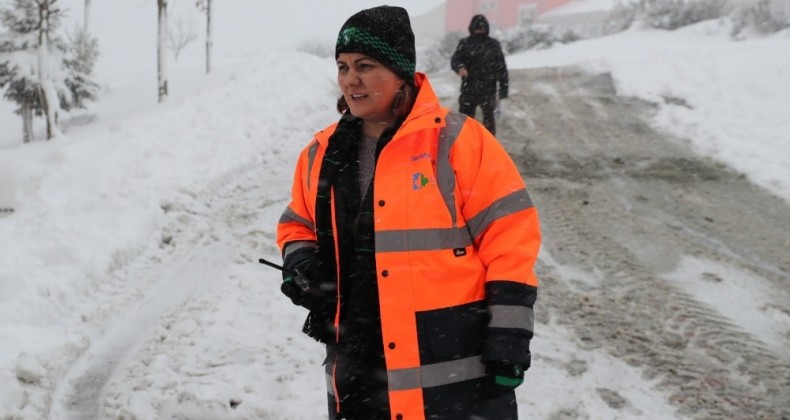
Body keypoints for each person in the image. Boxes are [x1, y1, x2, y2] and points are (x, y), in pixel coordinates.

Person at [276, 5, 540, 420]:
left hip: (453, 371)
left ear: (401, 72)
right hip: (355, 369)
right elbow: (298, 223)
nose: (350, 79)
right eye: (343, 66)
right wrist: (301, 263)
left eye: (365, 65)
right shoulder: (321, 153)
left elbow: (510, 238)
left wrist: (509, 335)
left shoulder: (458, 142)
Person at [451, 14, 509, 135]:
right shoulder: (464, 43)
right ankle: (465, 143)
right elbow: (455, 60)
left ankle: (488, 145)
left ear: (486, 28)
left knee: (488, 123)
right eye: (477, 28)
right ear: (471, 28)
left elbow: (502, 69)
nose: (479, 31)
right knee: (464, 122)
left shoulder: (493, 44)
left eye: (481, 28)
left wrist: (503, 94)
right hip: (468, 89)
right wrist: (460, 68)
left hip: (488, 91)